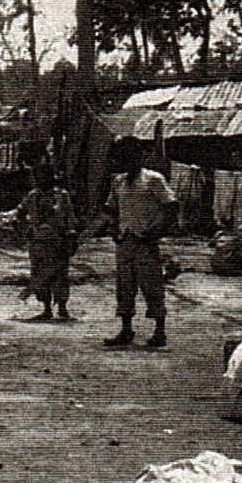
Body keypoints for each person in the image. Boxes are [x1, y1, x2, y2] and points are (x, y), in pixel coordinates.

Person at [102, 138, 179, 348]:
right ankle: (126, 330)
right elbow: (112, 208)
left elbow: (171, 206)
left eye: (131, 156)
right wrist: (115, 228)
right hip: (125, 242)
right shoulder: (118, 181)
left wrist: (158, 230)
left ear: (139, 156)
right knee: (124, 287)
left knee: (152, 286)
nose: (127, 161)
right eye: (123, 157)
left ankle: (159, 331)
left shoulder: (153, 179)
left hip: (145, 242)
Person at [17, 164, 79, 322]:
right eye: (38, 176)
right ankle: (46, 309)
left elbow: (70, 218)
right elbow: (20, 213)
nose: (41, 179)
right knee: (38, 274)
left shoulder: (61, 195)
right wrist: (25, 230)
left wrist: (71, 238)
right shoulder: (32, 196)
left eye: (44, 176)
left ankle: (62, 308)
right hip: (38, 242)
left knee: (60, 275)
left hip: (58, 241)